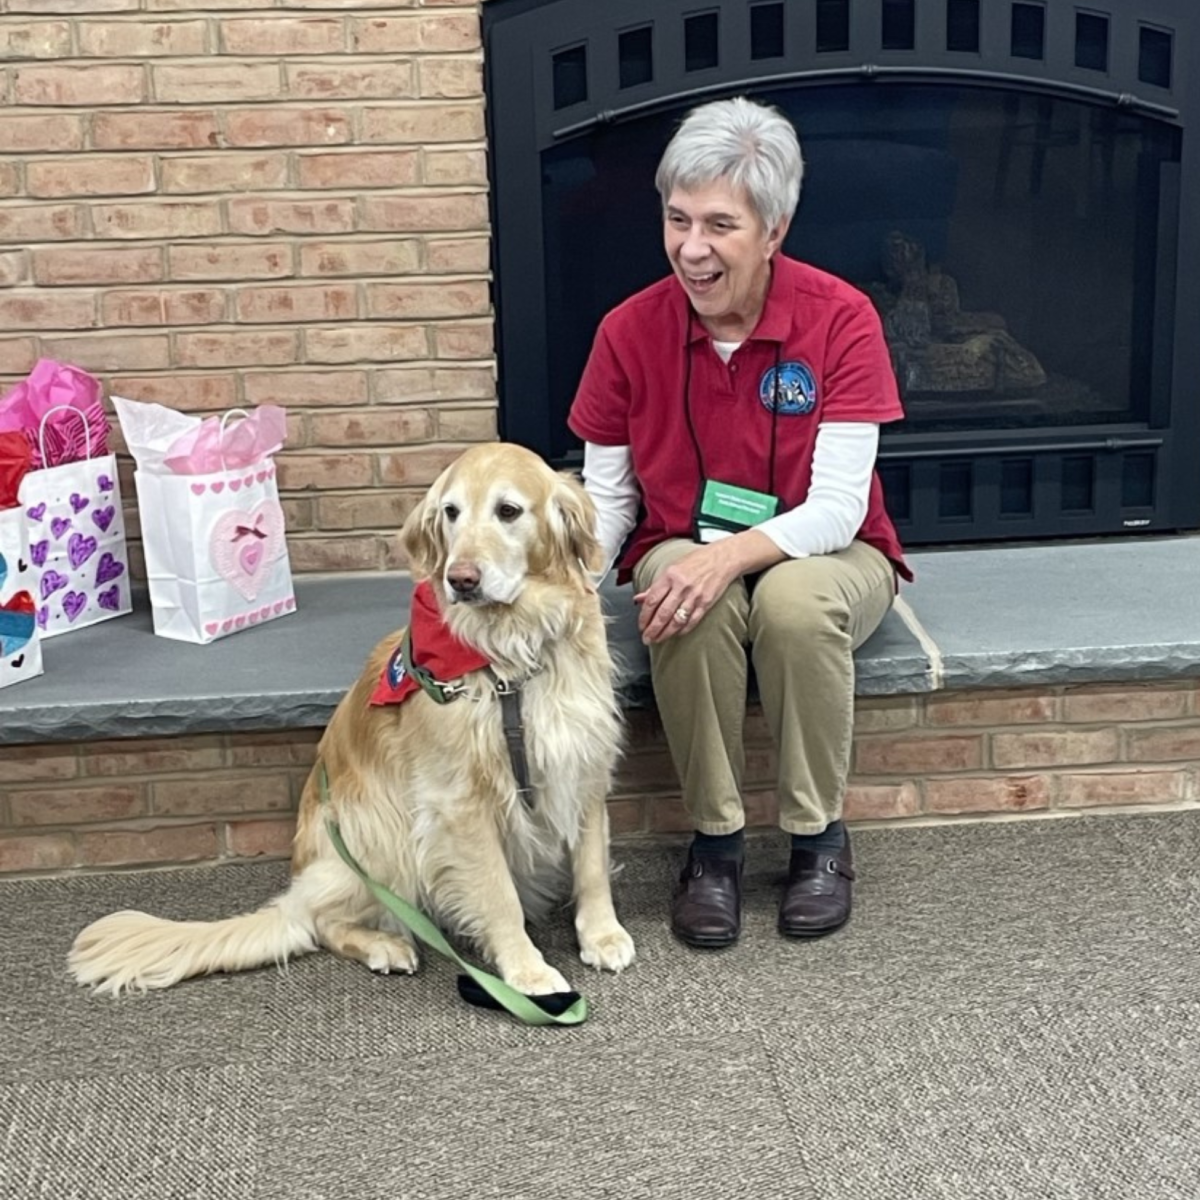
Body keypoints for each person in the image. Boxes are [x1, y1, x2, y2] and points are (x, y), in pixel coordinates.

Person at [568, 96, 912, 949]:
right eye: (677, 219)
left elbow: (835, 508)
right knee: (682, 590)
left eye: (720, 224)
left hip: (833, 552)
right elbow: (608, 499)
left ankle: (817, 840)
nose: (692, 247)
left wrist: (728, 561)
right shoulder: (626, 331)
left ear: (775, 228)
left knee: (789, 602)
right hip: (682, 540)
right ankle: (715, 846)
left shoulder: (842, 319)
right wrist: (564, 585)